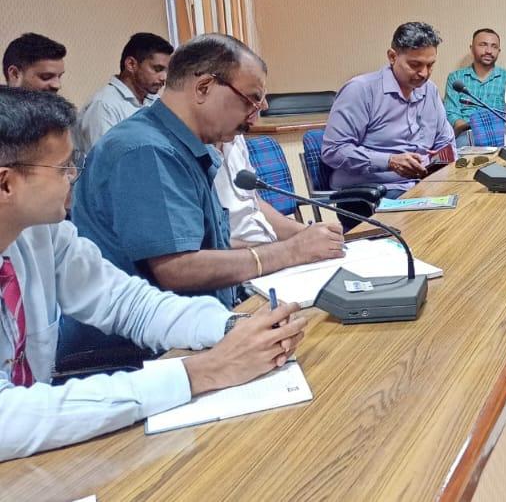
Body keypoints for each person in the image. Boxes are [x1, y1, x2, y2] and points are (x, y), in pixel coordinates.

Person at [0, 86, 307, 461]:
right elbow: (7, 420)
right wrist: (201, 372)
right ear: (6, 183)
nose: (74, 175)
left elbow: (127, 302)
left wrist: (230, 327)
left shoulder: (41, 232)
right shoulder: (138, 150)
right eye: (63, 167)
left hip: (40, 455)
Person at [65, 34, 342, 362]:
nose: (254, 116)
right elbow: (179, 268)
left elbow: (204, 243)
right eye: (250, 101)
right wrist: (291, 251)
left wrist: (295, 246)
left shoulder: (181, 143)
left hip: (192, 325)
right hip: (144, 353)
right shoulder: (146, 150)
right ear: (204, 87)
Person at [322, 22, 456, 196]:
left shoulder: (429, 90)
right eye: (415, 65)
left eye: (430, 65)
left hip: (424, 184)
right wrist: (389, 161)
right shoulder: (361, 90)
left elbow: (446, 141)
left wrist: (441, 159)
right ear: (392, 57)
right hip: (373, 191)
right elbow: (333, 151)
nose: (424, 73)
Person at [214, 134, 326, 247]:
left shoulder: (236, 138)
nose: (253, 124)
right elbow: (210, 248)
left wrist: (310, 232)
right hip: (248, 254)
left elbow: (256, 204)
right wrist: (283, 249)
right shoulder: (203, 160)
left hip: (271, 245)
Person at [76, 32, 174, 152]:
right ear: (131, 64)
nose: (164, 77)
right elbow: (104, 159)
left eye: (166, 71)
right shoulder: (104, 106)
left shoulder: (155, 101)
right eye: (157, 69)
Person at [443, 28, 506, 140]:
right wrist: (472, 129)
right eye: (483, 45)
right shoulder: (456, 78)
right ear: (472, 49)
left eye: (494, 46)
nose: (489, 51)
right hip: (465, 135)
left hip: (498, 136)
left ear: (499, 51)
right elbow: (451, 113)